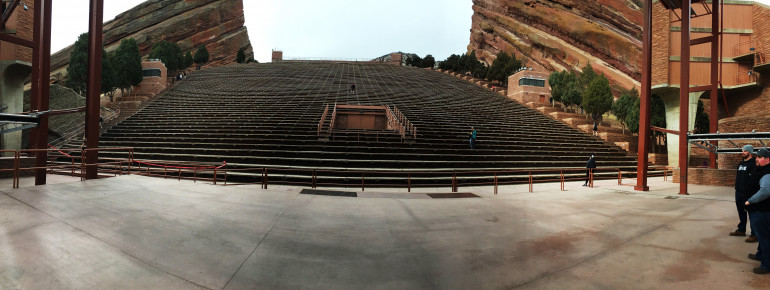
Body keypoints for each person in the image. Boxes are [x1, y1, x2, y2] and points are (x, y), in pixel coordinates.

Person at [744, 148, 770, 274]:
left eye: (760, 157)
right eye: (757, 157)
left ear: (767, 159)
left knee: (764, 237)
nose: (757, 159)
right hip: (759, 210)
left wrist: (750, 200)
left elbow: (765, 191)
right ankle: (760, 255)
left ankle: (766, 265)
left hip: (761, 211)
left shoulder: (767, 173)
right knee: (762, 236)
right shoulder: (762, 170)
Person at [731, 145, 757, 242]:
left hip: (749, 193)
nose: (743, 152)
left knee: (751, 213)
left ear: (749, 153)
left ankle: (754, 234)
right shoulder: (740, 164)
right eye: (742, 151)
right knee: (741, 212)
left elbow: (753, 180)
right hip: (738, 192)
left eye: (745, 151)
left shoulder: (753, 164)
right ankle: (741, 230)